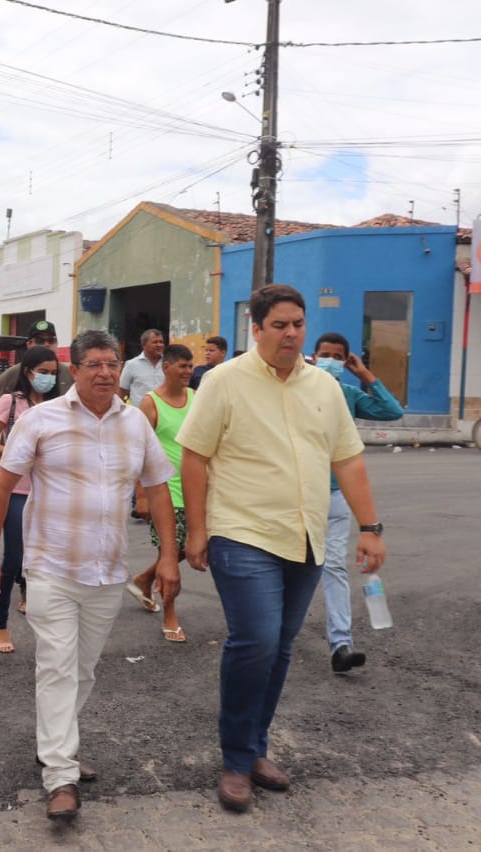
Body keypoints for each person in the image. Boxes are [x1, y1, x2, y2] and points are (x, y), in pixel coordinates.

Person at [177, 284, 387, 813]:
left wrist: (370, 527)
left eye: (298, 324)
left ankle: (254, 748)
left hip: (307, 535)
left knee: (280, 646)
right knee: (256, 640)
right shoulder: (224, 381)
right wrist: (196, 530)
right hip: (242, 531)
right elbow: (195, 457)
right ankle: (235, 759)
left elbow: (348, 460)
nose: (291, 333)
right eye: (279, 325)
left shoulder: (325, 386)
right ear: (257, 328)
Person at [0, 329, 178, 824]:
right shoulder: (41, 420)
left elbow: (158, 489)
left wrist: (169, 558)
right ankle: (60, 776)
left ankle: (54, 743)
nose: (105, 373)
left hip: (107, 572)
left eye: (113, 364)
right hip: (51, 568)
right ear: (77, 370)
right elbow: (0, 490)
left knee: (83, 670)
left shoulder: (135, 423)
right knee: (58, 667)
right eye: (95, 365)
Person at [312, 332, 403, 673]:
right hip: (295, 496)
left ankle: (341, 645)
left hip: (336, 496)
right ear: (313, 356)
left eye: (338, 357)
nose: (331, 361)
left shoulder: (348, 395)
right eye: (325, 355)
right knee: (288, 566)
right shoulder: (295, 389)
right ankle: (271, 639)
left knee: (334, 567)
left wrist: (363, 374)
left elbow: (391, 411)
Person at [0, 345, 59, 652]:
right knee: (13, 559)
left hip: (49, 491)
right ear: (28, 372)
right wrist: (21, 452)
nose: (48, 378)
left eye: (53, 373)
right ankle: (0, 622)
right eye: (42, 372)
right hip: (16, 489)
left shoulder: (59, 405)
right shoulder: (10, 402)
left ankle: (47, 620)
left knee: (46, 562)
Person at [127, 344, 197, 643]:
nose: (188, 371)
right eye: (183, 366)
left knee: (189, 549)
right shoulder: (150, 403)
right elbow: (139, 452)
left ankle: (144, 578)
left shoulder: (196, 398)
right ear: (166, 367)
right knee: (168, 554)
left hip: (194, 491)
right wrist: (142, 495)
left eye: (190, 366)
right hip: (165, 493)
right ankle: (170, 615)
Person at [0, 319, 71, 412]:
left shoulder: (69, 374)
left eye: (51, 340)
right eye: (40, 341)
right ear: (29, 344)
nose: (46, 344)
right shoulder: (11, 375)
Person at [118, 329, 165, 404]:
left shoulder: (168, 364)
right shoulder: (131, 365)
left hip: (164, 410)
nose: (159, 345)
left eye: (161, 342)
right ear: (144, 345)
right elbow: (121, 392)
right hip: (139, 410)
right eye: (155, 342)